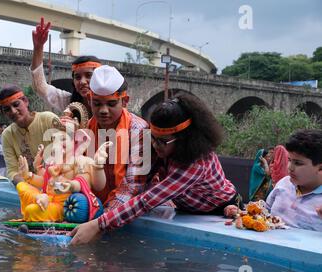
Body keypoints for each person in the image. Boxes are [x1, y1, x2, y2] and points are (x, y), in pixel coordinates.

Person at [70, 92, 239, 245]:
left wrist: (99, 225)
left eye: (163, 141)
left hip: (218, 209)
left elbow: (146, 201)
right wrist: (104, 214)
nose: (155, 147)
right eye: (153, 138)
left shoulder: (197, 163)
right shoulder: (162, 147)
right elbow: (137, 183)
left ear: (186, 139)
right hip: (186, 210)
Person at [85, 65, 149, 211]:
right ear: (89, 100)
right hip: (99, 207)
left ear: (125, 101)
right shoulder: (89, 126)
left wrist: (100, 220)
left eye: (111, 103)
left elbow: (133, 188)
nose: (103, 110)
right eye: (97, 104)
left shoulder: (139, 130)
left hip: (136, 210)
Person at [31, 17, 102, 115]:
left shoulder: (110, 106)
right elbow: (40, 87)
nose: (82, 82)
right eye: (77, 77)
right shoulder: (69, 102)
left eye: (89, 75)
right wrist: (38, 47)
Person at [0, 85, 60, 185]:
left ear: (25, 101)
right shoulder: (7, 135)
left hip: (58, 183)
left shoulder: (48, 119)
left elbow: (66, 156)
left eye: (16, 104)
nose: (13, 111)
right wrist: (27, 188)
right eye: (7, 109)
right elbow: (12, 171)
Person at [266, 129, 322, 231]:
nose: (290, 167)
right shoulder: (283, 184)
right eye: (289, 160)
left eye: (298, 163)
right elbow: (264, 214)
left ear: (320, 168)